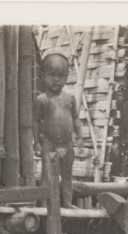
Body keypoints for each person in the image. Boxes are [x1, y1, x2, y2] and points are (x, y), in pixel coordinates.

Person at [35, 52, 84, 209]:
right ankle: (44, 203)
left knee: (67, 175)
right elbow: (35, 122)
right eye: (52, 75)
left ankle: (67, 202)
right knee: (47, 175)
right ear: (43, 76)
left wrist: (80, 136)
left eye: (61, 76)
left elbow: (75, 119)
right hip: (49, 142)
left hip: (67, 143)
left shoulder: (70, 98)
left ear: (67, 77)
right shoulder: (41, 99)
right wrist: (36, 142)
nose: (56, 79)